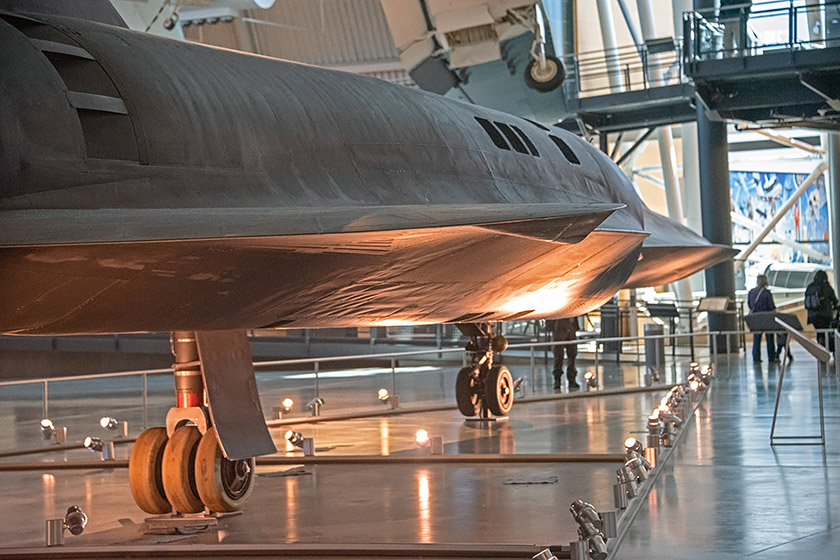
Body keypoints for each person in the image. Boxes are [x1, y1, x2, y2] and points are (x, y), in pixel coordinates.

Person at [747, 275, 778, 363]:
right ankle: (771, 357)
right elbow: (771, 306)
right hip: (767, 317)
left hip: (756, 317)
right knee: (769, 338)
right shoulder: (767, 293)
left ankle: (756, 357)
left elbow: (749, 305)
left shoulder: (751, 292)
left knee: (756, 338)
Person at [805, 270, 838, 351]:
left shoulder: (810, 287)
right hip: (825, 315)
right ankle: (825, 349)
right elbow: (835, 301)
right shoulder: (827, 287)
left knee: (819, 332)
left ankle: (819, 348)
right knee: (826, 333)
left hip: (812, 316)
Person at [546, 317, 580, 391]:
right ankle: (557, 380)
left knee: (572, 355)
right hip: (559, 328)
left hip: (569, 328)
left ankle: (571, 379)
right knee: (559, 356)